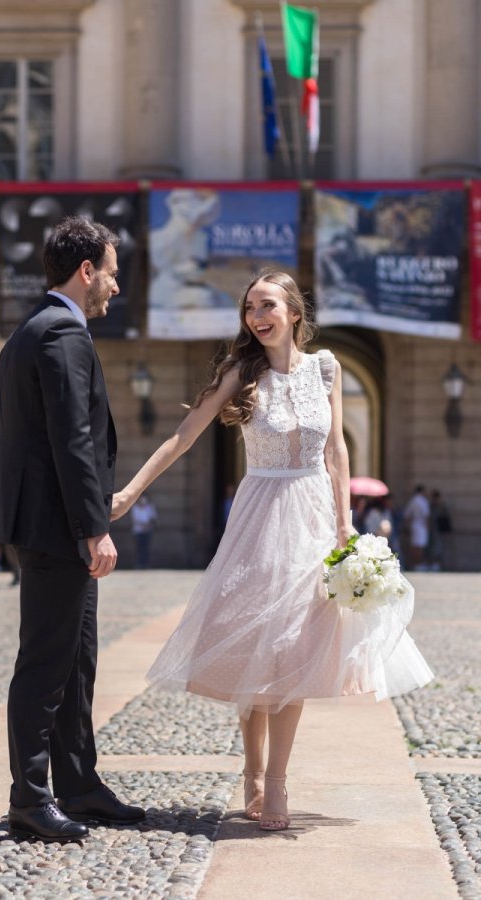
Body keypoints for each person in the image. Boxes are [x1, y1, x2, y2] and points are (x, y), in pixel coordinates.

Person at [111, 270, 432, 832]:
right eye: (249, 309)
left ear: (293, 313)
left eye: (267, 306)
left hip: (312, 519)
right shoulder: (241, 372)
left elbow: (335, 451)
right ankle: (252, 769)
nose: (257, 317)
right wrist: (130, 490)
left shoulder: (326, 367)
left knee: (291, 648)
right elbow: (184, 436)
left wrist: (344, 524)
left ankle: (276, 782)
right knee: (257, 638)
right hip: (258, 516)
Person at [0, 217, 145, 843]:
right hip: (58, 529)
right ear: (86, 272)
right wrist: (92, 527)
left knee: (76, 661)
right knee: (46, 663)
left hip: (47, 525)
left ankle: (78, 784)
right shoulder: (61, 334)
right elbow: (70, 441)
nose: (114, 284)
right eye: (110, 271)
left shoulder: (33, 330)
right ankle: (30, 798)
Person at [403, 484, 431, 571]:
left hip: (414, 525)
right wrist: (428, 526)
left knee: (415, 546)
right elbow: (426, 515)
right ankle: (419, 564)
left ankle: (414, 564)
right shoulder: (423, 501)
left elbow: (407, 515)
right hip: (421, 525)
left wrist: (407, 526)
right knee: (420, 547)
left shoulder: (413, 500)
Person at [130, 494, 157, 568]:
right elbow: (135, 520)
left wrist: (149, 525)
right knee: (139, 548)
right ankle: (139, 563)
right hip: (138, 531)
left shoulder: (150, 507)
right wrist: (144, 525)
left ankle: (146, 564)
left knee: (146, 548)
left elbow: (153, 518)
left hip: (148, 531)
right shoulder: (135, 508)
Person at [427, 489, 451, 571]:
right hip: (432, 530)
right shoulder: (431, 506)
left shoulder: (442, 507)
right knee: (432, 547)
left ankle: (437, 564)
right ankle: (433, 564)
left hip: (439, 530)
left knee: (438, 547)